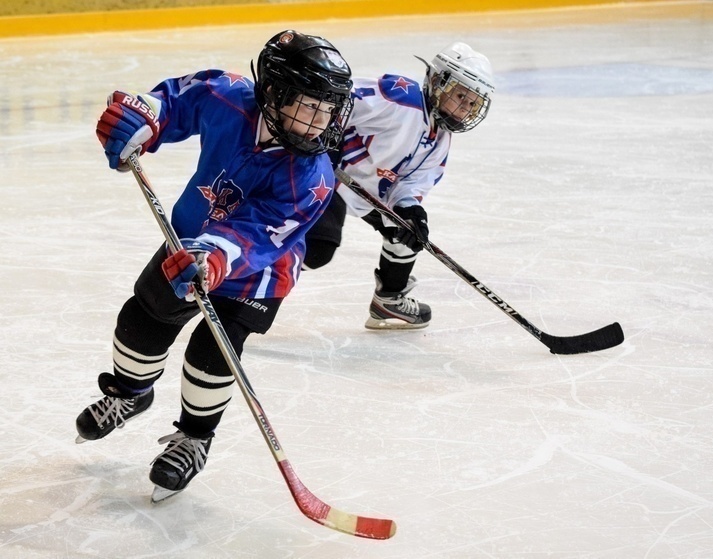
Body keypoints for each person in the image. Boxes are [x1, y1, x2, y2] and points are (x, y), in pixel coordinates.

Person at [75, 30, 353, 501]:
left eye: (327, 109)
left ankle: (194, 438)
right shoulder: (227, 96)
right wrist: (143, 121)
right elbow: (173, 103)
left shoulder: (313, 176)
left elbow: (259, 233)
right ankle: (130, 394)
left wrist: (213, 257)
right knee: (140, 324)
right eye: (309, 105)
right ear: (274, 92)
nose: (319, 121)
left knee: (213, 352)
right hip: (186, 242)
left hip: (259, 272)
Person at [303, 42, 495, 329]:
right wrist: (327, 144)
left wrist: (411, 210)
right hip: (326, 175)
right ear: (437, 82)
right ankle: (244, 273)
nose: (464, 108)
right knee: (319, 249)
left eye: (471, 103)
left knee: (409, 231)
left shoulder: (440, 139)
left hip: (366, 192)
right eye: (459, 96)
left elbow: (409, 185)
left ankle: (389, 300)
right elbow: (341, 98)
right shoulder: (401, 97)